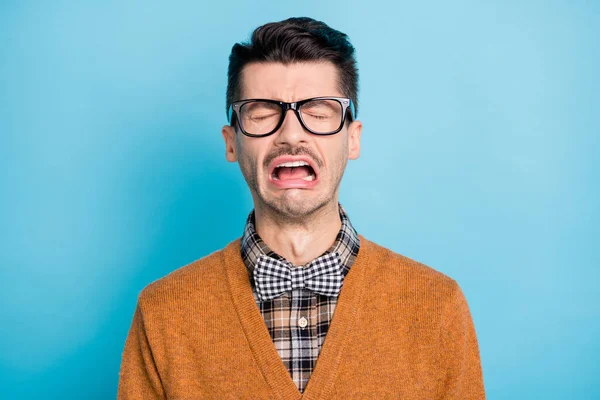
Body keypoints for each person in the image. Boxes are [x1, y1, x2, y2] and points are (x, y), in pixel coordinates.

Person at [118, 17, 485, 399]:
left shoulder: (437, 306)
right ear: (231, 142)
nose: (291, 134)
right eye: (261, 113)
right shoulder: (163, 313)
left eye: (318, 112)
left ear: (352, 139)